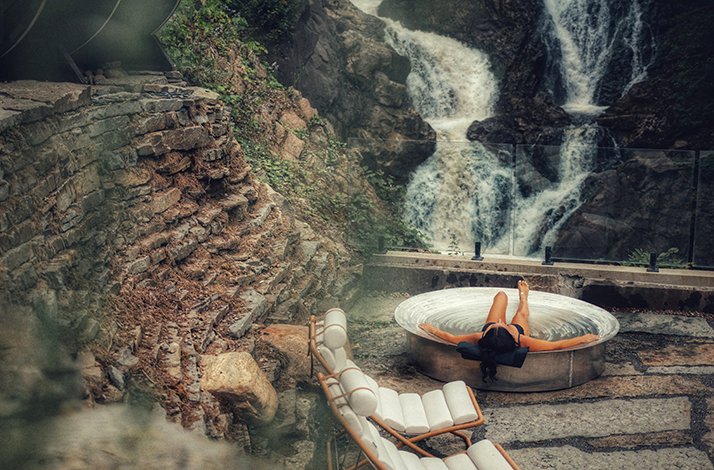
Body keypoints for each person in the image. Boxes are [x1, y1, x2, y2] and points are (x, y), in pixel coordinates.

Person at [419, 280, 600, 381]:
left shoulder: (480, 336)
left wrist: (431, 329)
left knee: (501, 296)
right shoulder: (521, 339)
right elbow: (555, 345)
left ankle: (518, 296)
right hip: (516, 331)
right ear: (510, 335)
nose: (500, 321)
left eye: (497, 324)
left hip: (497, 335)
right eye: (501, 324)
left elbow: (449, 337)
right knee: (521, 312)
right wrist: (582, 339)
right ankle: (524, 296)